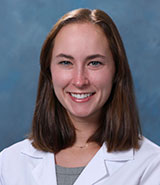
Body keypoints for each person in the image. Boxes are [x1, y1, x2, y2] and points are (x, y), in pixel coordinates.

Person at [0, 8, 160, 185]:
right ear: (49, 72)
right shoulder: (9, 164)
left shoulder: (151, 165)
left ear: (116, 71)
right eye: (66, 62)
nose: (79, 80)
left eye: (94, 63)